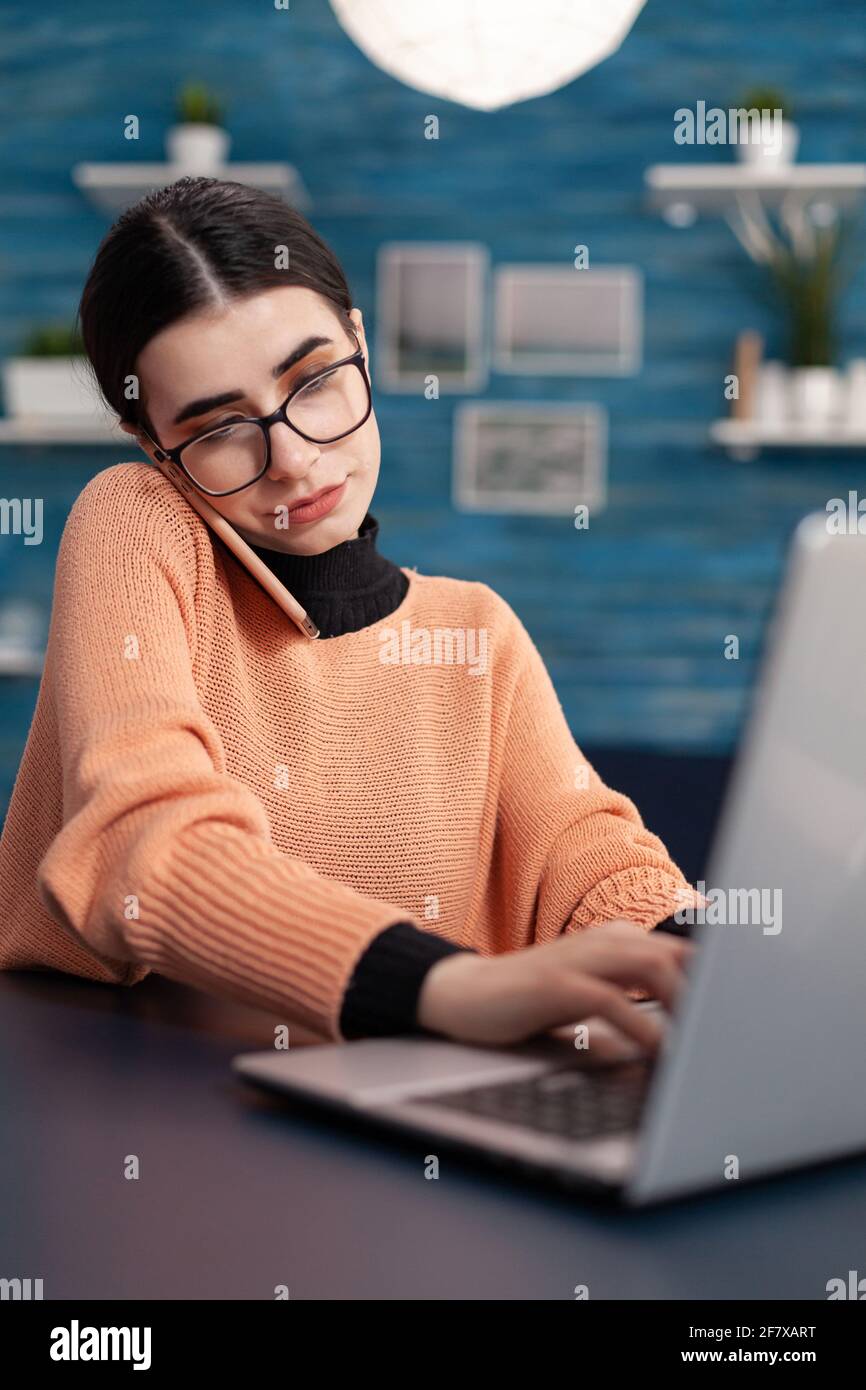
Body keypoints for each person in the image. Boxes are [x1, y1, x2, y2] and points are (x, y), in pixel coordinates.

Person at [0, 176, 702, 1053]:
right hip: (147, 1107)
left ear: (360, 343)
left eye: (316, 379)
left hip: (411, 1120)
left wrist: (692, 957)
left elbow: (587, 857)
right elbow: (146, 842)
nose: (292, 460)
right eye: (219, 429)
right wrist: (443, 985)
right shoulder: (135, 523)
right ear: (158, 450)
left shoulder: (474, 628)